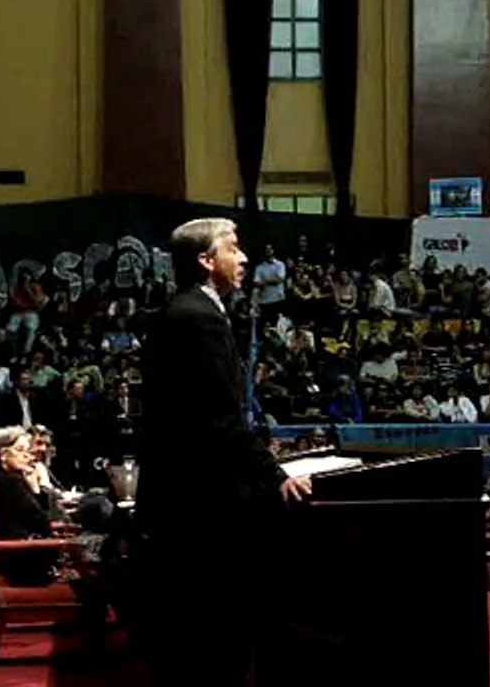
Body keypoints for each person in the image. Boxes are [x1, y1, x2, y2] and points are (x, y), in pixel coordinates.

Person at [136, 218, 311, 686]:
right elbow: (218, 415)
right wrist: (275, 475)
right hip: (201, 501)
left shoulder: (192, 310)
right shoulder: (197, 318)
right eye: (233, 248)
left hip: (188, 491)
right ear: (205, 260)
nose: (245, 257)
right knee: (214, 631)